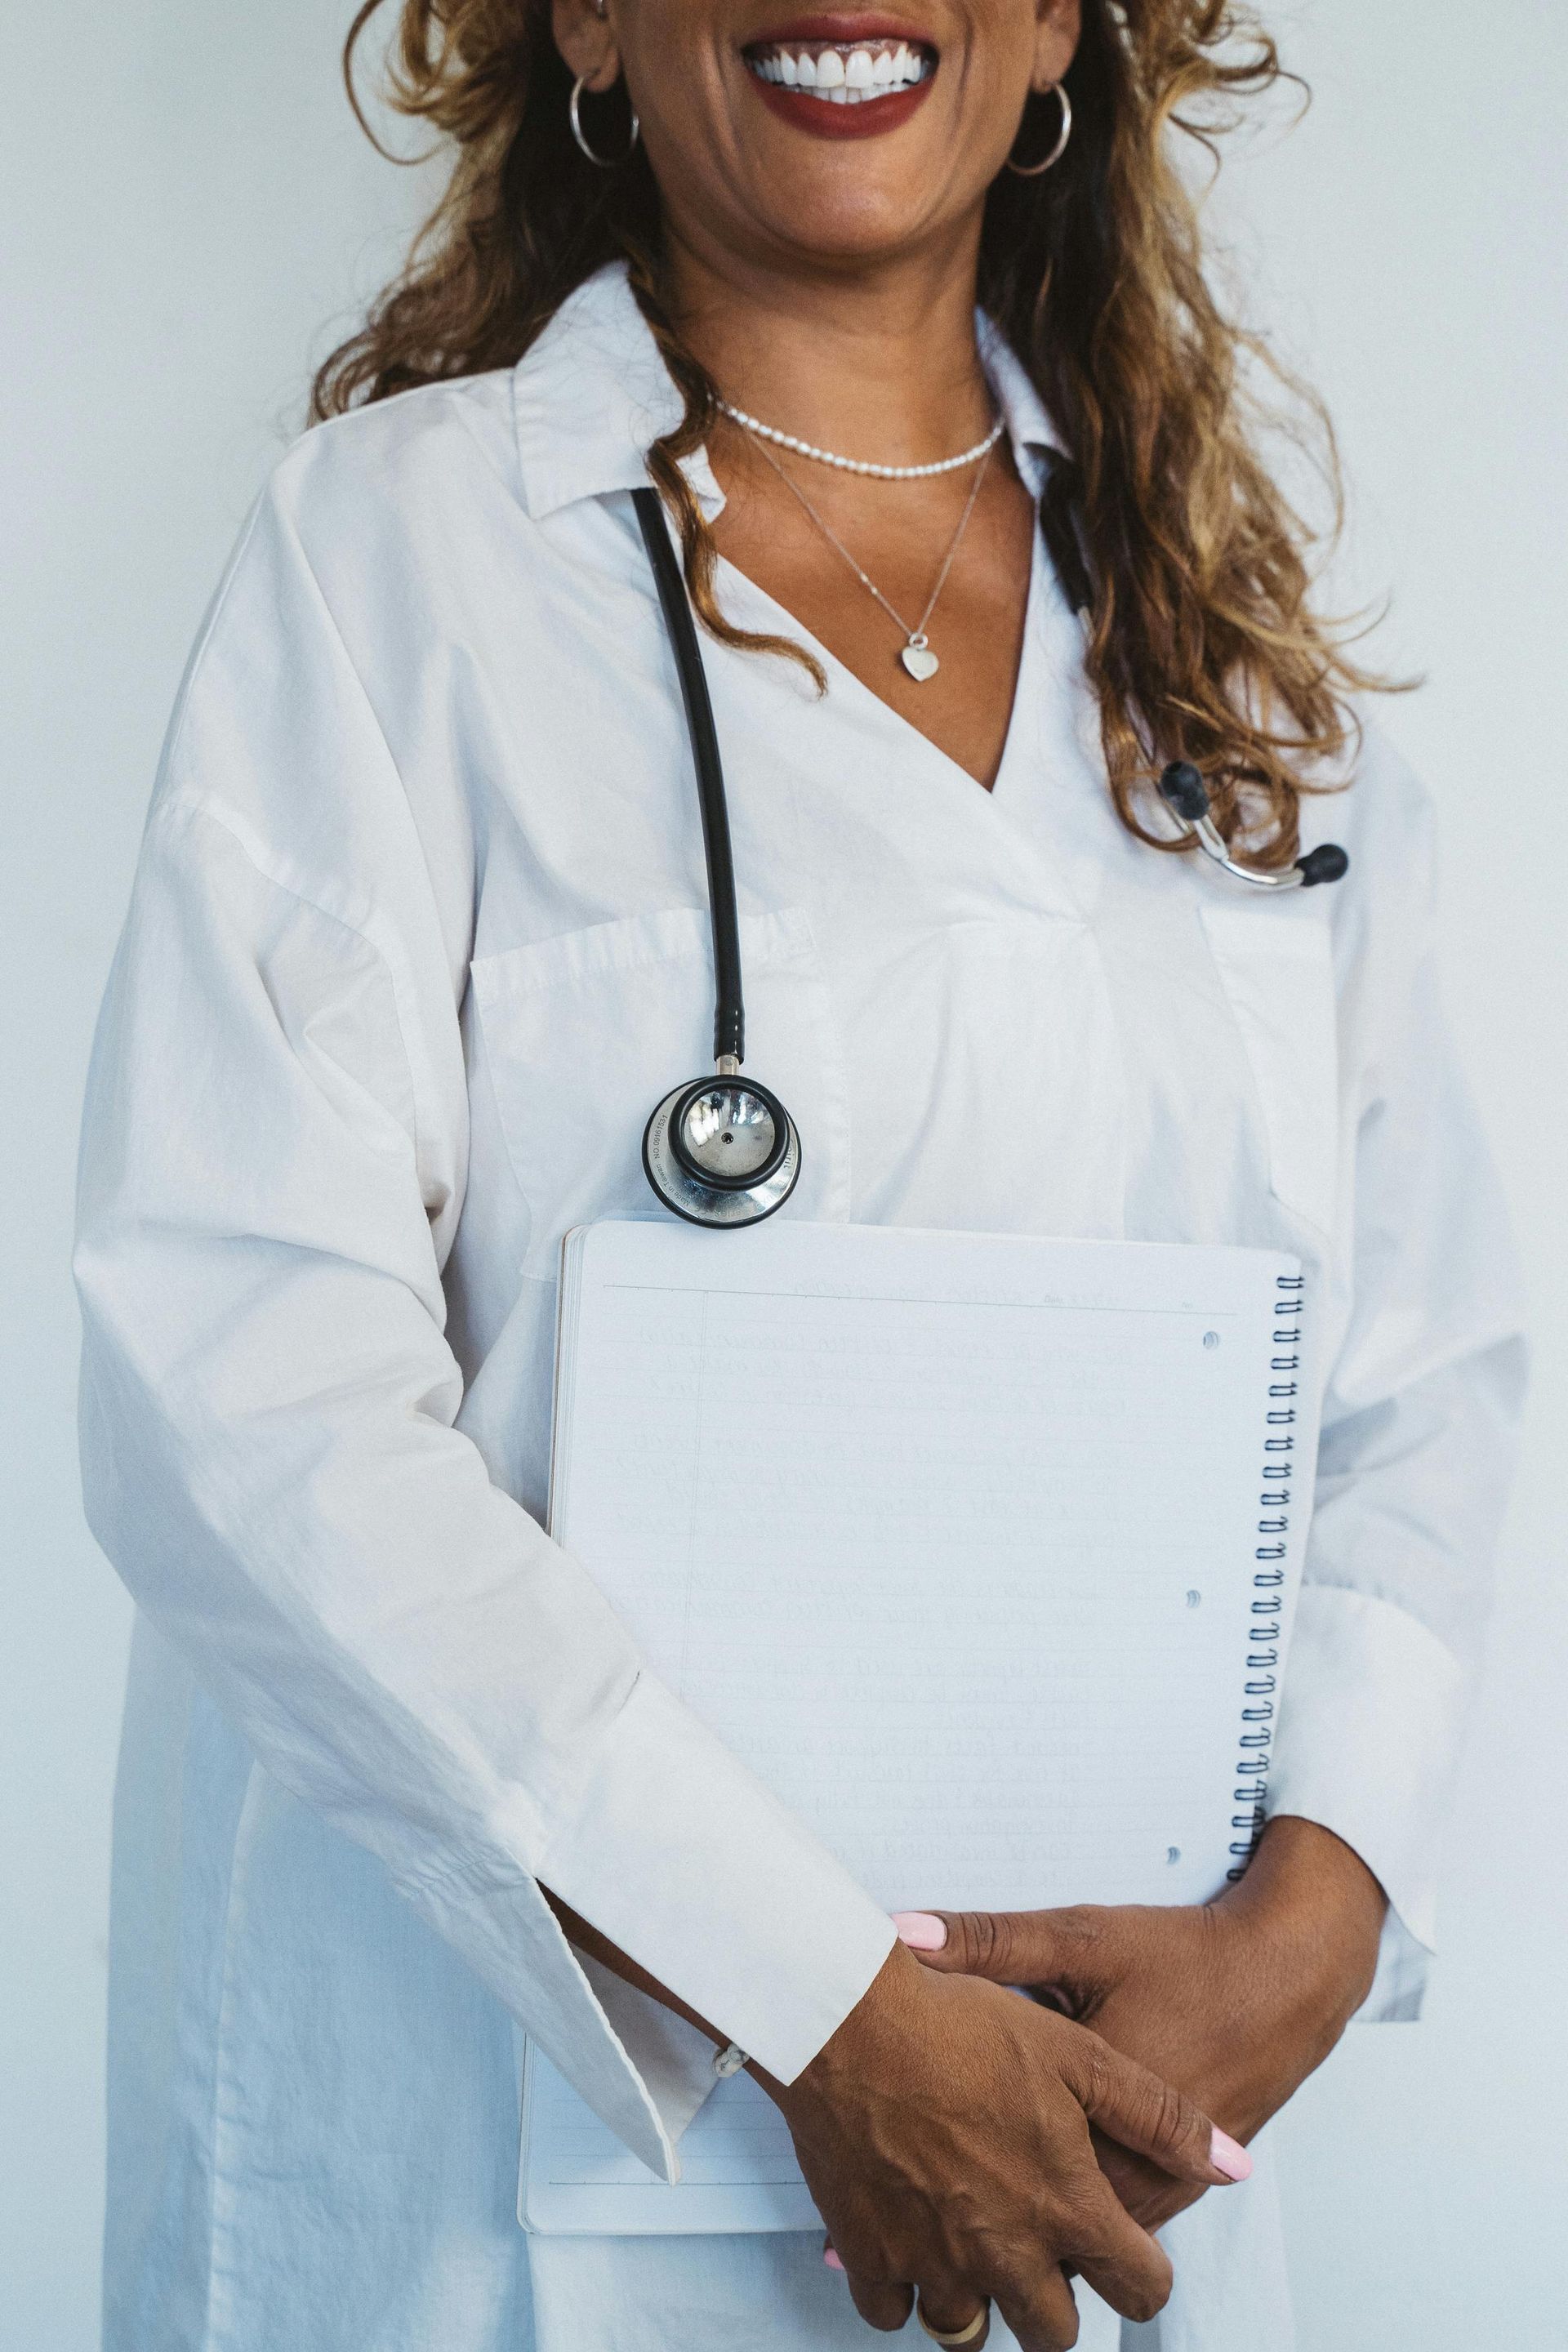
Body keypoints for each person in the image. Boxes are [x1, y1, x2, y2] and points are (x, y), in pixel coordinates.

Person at [74, 2, 1524, 2348]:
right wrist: (823, 2003)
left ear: (1058, 22)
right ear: (588, 21)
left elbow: (1424, 1383)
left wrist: (1317, 1917)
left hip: (1113, 2156)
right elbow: (244, 1387)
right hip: (489, 2189)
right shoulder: (397, 565)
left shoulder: (1246, 688)